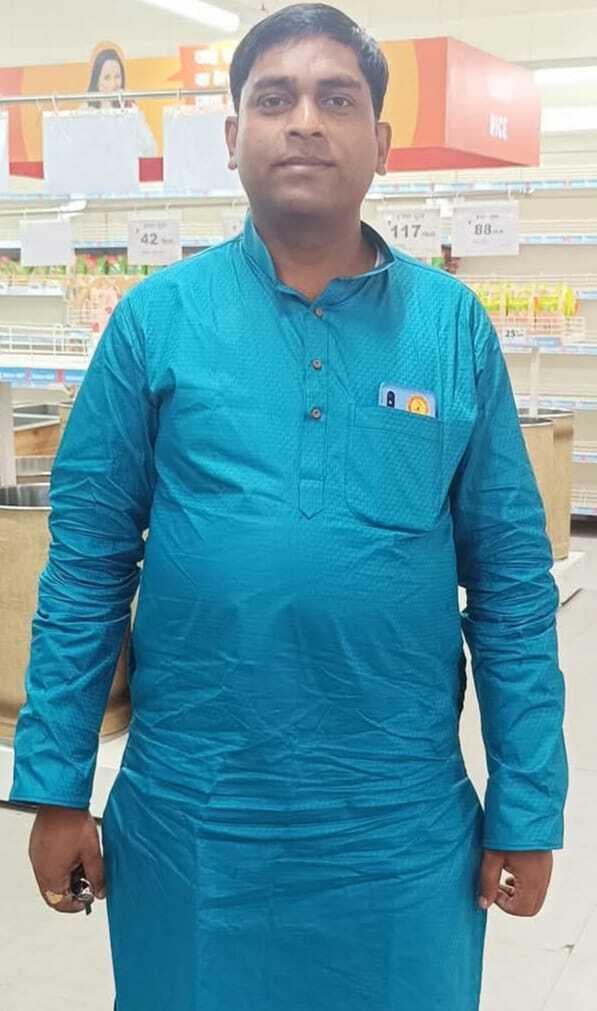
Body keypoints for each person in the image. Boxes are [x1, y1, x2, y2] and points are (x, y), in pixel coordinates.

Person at [10, 5, 568, 1010]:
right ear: (233, 137)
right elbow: (87, 566)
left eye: (335, 99)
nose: (304, 120)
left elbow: (514, 591)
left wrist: (526, 806)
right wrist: (55, 785)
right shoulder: (155, 322)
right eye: (274, 98)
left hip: (398, 833)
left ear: (381, 143)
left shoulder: (450, 330)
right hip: (195, 825)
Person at [82, 45, 157, 157]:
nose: (113, 84)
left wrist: (131, 112)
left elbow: (150, 148)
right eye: (107, 78)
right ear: (97, 81)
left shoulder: (131, 108)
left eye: (117, 77)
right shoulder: (86, 112)